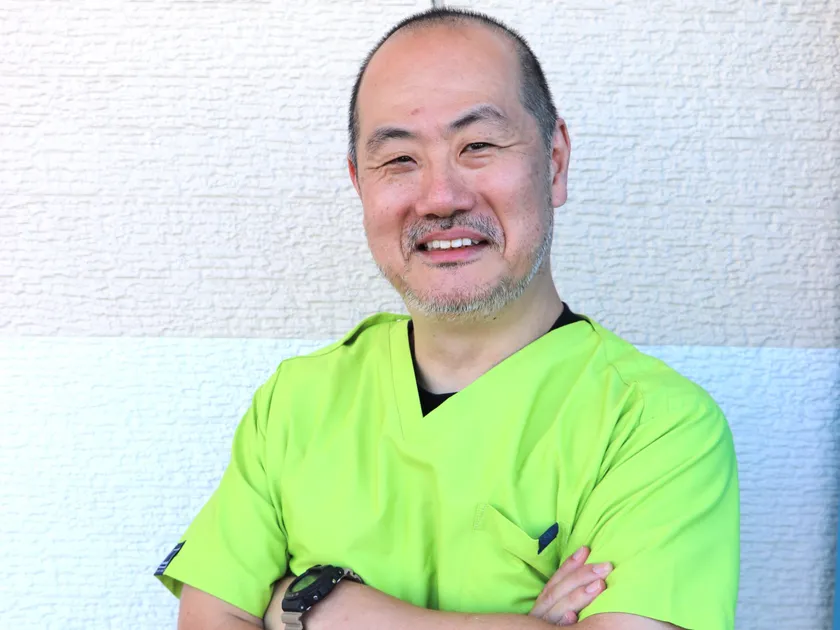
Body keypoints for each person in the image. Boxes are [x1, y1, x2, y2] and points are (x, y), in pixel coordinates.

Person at [155, 7, 739, 630]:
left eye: (478, 146)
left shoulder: (653, 425)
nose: (440, 197)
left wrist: (318, 608)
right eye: (399, 159)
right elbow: (208, 619)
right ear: (359, 182)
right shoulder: (295, 403)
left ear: (554, 161)